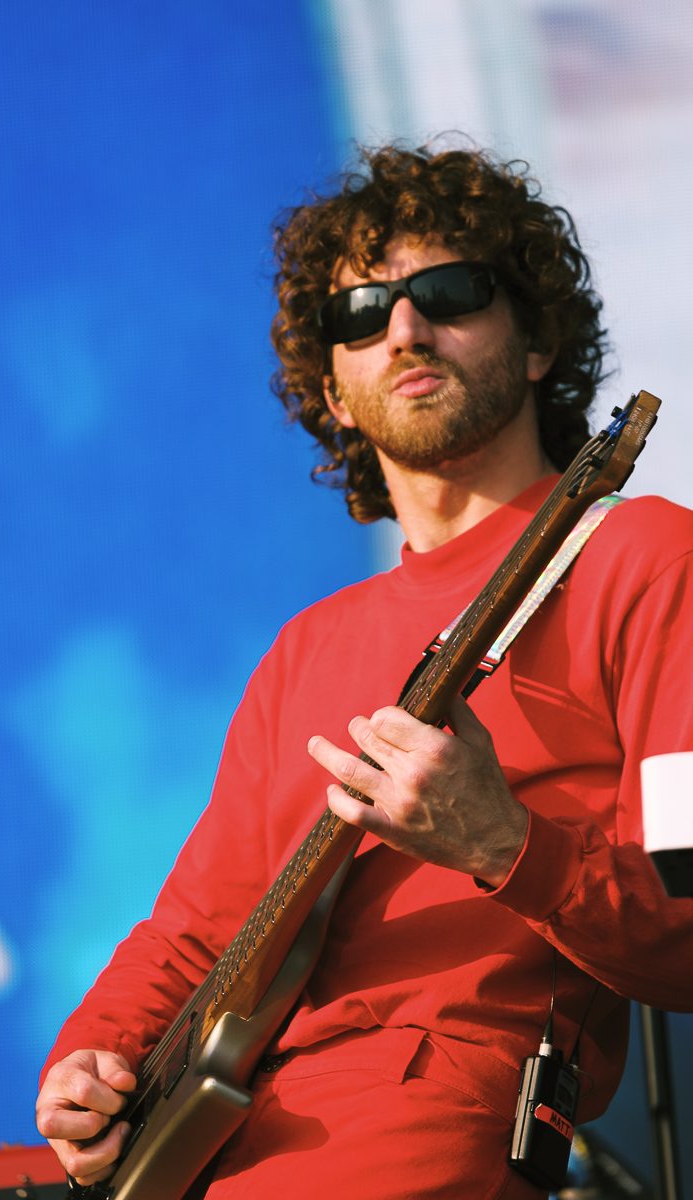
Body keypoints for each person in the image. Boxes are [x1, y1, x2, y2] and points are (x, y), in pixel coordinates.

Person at [35, 142, 693, 1199]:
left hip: (428, 1127)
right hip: (219, 1147)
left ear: (536, 344)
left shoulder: (647, 557)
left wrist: (506, 844)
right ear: (333, 392)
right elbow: (196, 932)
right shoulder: (308, 645)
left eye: (451, 293)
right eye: (361, 312)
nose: (404, 328)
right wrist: (94, 1055)